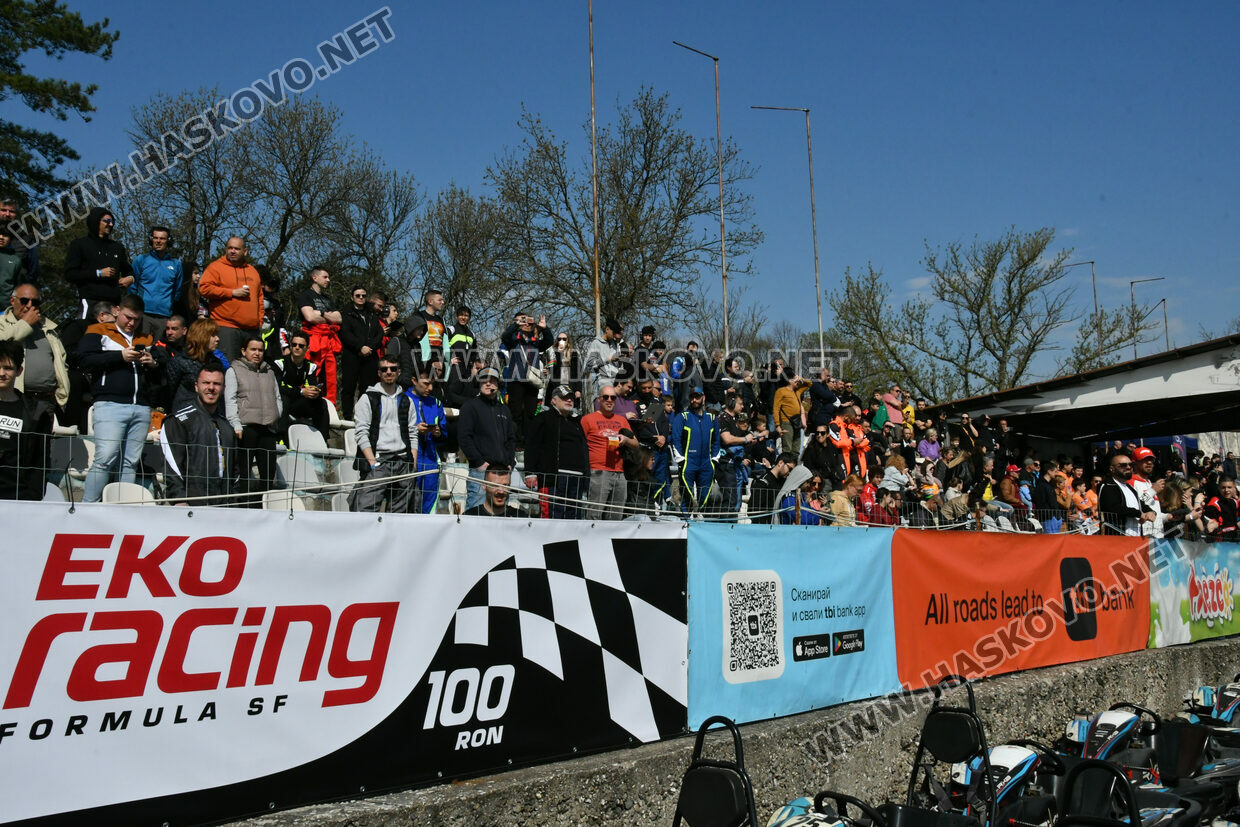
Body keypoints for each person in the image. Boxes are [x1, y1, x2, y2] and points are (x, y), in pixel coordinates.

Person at [77, 295, 162, 502]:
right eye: (128, 317)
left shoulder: (146, 339)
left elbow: (162, 371)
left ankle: (123, 507)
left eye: (137, 319)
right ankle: (88, 506)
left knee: (130, 463)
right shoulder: (98, 331)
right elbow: (83, 360)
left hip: (141, 407)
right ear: (116, 310)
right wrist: (120, 356)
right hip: (109, 404)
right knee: (105, 458)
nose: (132, 323)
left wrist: (152, 363)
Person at [160, 362, 237, 506]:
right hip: (191, 506)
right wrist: (179, 499)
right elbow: (171, 464)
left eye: (217, 384)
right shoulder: (180, 420)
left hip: (224, 505)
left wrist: (234, 499)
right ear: (196, 387)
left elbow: (236, 469)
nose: (211, 388)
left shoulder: (226, 426)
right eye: (206, 383)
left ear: (223, 389)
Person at [350, 354, 418, 513]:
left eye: (393, 369)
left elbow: (413, 433)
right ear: (379, 373)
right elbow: (361, 433)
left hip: (403, 461)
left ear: (398, 372)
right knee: (364, 510)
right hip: (379, 461)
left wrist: (413, 464)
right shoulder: (367, 398)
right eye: (384, 369)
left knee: (401, 514)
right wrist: (373, 463)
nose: (389, 372)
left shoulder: (407, 400)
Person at [225, 336, 282, 506]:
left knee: (268, 473)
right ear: (244, 351)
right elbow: (230, 399)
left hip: (267, 429)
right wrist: (235, 423)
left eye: (260, 350)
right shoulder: (234, 370)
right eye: (253, 349)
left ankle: (262, 507)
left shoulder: (269, 372)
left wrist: (276, 415)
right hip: (246, 428)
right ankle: (242, 506)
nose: (257, 353)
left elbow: (277, 397)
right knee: (244, 473)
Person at [0, 284, 70, 417]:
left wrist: (60, 392)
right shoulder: (2, 322)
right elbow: (3, 342)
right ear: (12, 301)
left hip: (46, 400)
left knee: (42, 431)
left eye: (35, 302)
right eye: (24, 301)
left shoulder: (48, 327)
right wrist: (25, 324)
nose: (29, 306)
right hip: (12, 398)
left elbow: (61, 361)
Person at [525, 384, 590, 519]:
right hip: (553, 478)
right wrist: (530, 473)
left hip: (577, 478)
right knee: (552, 518)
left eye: (571, 398)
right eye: (565, 398)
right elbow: (532, 446)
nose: (569, 400)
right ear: (554, 400)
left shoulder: (577, 421)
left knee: (574, 519)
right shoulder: (543, 418)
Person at [456, 367, 516, 511]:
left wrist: (510, 463)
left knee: (500, 515)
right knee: (476, 513)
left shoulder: (505, 410)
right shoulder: (470, 406)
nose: (488, 383)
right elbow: (464, 437)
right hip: (481, 473)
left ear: (498, 384)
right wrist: (479, 463)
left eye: (492, 380)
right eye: (484, 380)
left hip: (503, 473)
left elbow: (511, 439)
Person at [0, 339, 52, 500]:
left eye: (8, 368)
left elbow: (40, 460)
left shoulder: (35, 413)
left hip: (18, 496)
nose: (1, 373)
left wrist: (31, 496)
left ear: (19, 371)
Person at [198, 237, 262, 362]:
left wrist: (259, 321)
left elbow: (259, 298)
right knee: (228, 366)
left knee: (251, 367)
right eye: (230, 248)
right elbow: (204, 288)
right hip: (226, 327)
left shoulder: (252, 271)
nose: (232, 251)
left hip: (251, 330)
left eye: (236, 249)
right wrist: (232, 293)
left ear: (245, 251)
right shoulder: (216, 267)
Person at [581, 384, 638, 520]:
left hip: (619, 472)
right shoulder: (588, 419)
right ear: (599, 400)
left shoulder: (621, 420)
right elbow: (580, 446)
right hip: (597, 471)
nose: (609, 400)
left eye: (613, 397)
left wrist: (626, 440)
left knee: (615, 516)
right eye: (606, 397)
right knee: (594, 514)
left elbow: (636, 444)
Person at [64, 207, 133, 316]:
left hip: (113, 303)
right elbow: (70, 274)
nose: (111, 224)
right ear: (95, 221)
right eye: (107, 221)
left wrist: (130, 278)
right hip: (90, 301)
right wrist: (98, 273)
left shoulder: (117, 247)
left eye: (112, 222)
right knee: (86, 327)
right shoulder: (79, 245)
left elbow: (129, 271)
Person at [499, 311, 553, 450]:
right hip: (515, 380)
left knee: (530, 413)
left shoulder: (536, 343)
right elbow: (504, 337)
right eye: (524, 322)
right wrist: (516, 324)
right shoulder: (514, 341)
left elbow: (549, 341)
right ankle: (516, 442)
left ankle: (528, 442)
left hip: (532, 382)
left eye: (529, 322)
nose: (527, 324)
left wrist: (544, 328)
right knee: (515, 413)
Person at [297, 265, 343, 408]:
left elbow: (339, 319)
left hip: (329, 341)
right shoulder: (306, 295)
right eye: (325, 277)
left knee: (330, 377)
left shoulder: (328, 299)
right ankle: (305, 406)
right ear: (315, 278)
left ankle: (330, 407)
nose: (328, 280)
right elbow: (310, 317)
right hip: (313, 340)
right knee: (311, 372)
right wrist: (329, 318)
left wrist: (322, 314)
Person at [272, 329, 330, 439]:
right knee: (285, 399)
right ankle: (280, 438)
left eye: (301, 345)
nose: (297, 347)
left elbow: (311, 386)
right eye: (294, 344)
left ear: (307, 348)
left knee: (321, 402)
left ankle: (323, 439)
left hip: (298, 404)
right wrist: (301, 391)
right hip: (281, 402)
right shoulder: (280, 363)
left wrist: (315, 392)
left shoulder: (310, 366)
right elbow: (277, 387)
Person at [672, 388, 720, 516]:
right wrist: (681, 459)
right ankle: (685, 521)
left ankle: (701, 521)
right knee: (687, 496)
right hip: (688, 463)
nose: (694, 400)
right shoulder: (682, 417)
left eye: (697, 397)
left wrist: (714, 459)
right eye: (692, 397)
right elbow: (675, 439)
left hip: (706, 463)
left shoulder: (712, 418)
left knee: (705, 497)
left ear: (703, 398)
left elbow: (716, 440)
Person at [339, 284, 384, 419]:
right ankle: (347, 416)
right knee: (349, 387)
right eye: (357, 295)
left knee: (368, 388)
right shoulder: (346, 313)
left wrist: (369, 348)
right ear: (352, 297)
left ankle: (364, 417)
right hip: (352, 355)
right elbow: (345, 333)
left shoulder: (372, 313)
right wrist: (360, 347)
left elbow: (379, 333)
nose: (361, 298)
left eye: (363, 295)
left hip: (370, 355)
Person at [129, 225, 183, 336]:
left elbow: (177, 291)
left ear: (168, 241)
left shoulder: (176, 264)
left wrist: (169, 305)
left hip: (164, 316)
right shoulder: (141, 260)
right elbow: (132, 285)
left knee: (160, 347)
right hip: (143, 314)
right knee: (140, 345)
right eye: (155, 238)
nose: (158, 241)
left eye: (162, 238)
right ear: (151, 239)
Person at [407, 370, 447, 514]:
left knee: (430, 501)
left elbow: (444, 433)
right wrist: (414, 429)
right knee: (408, 499)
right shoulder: (402, 399)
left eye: (432, 384)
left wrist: (438, 433)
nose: (430, 388)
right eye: (426, 384)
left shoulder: (436, 402)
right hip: (409, 456)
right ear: (414, 380)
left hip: (431, 457)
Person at [1098, 452, 1154, 536]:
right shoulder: (1107, 486)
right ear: (1112, 468)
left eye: (1130, 465)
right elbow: (1113, 508)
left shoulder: (1130, 488)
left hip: (1135, 537)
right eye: (1123, 465)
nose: (1128, 467)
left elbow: (1141, 505)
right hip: (1116, 538)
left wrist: (1150, 512)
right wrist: (1139, 514)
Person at [583, 318, 624, 405]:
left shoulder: (614, 344)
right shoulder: (596, 343)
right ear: (607, 329)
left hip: (616, 381)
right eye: (613, 333)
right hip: (603, 381)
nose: (614, 335)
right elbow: (589, 365)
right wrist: (609, 359)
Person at [407, 288, 448, 369]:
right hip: (422, 360)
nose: (442, 302)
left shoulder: (441, 319)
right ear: (430, 301)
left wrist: (446, 359)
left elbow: (445, 341)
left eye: (442, 300)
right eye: (439, 300)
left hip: (439, 361)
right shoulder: (418, 316)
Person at [544, 331, 583, 410]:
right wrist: (559, 353)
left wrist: (578, 389)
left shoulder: (574, 354)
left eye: (564, 339)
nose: (562, 340)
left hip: (570, 386)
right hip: (556, 386)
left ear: (567, 341)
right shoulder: (552, 353)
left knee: (570, 411)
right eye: (559, 339)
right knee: (555, 411)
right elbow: (552, 370)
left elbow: (577, 374)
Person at [0, 223, 29, 304]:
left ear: (10, 239)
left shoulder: (16, 260)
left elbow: (19, 286)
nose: (1, 237)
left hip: (5, 307)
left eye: (5, 235)